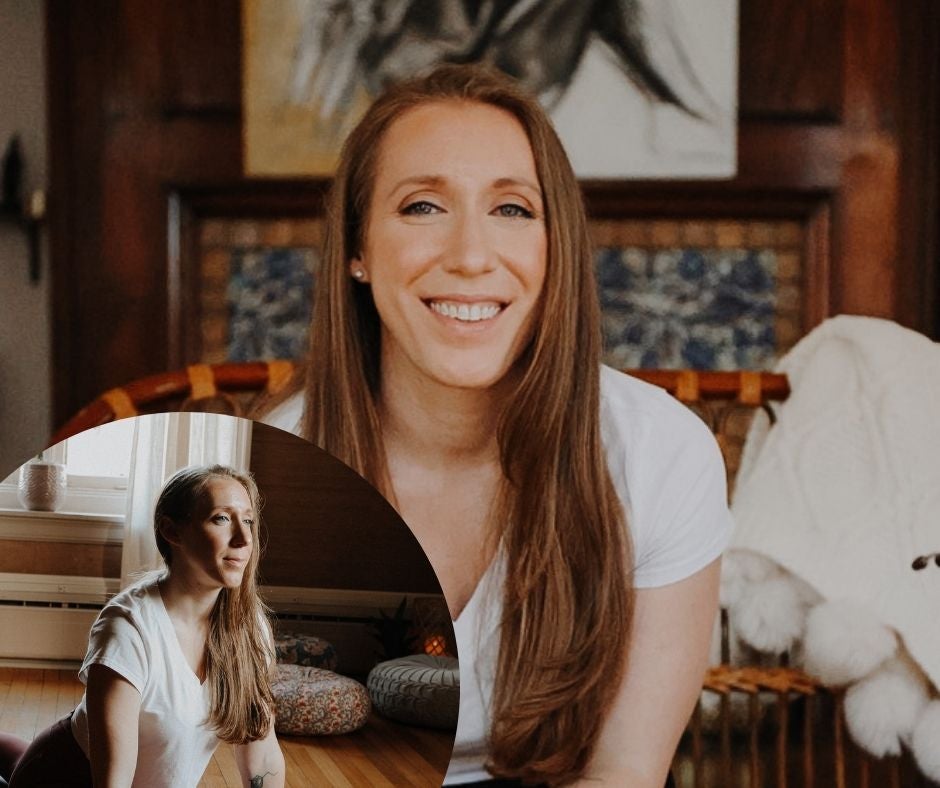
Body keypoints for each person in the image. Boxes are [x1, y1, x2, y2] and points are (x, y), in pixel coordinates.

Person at [263, 63, 730, 787]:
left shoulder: (660, 455)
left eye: (512, 210)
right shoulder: (277, 463)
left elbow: (622, 775)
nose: (472, 257)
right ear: (357, 251)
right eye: (423, 207)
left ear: (555, 247)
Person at [2, 465, 285, 788]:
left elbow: (262, 758)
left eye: (248, 520)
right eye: (221, 518)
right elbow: (113, 783)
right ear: (171, 531)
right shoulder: (127, 628)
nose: (244, 538)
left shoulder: (250, 629)